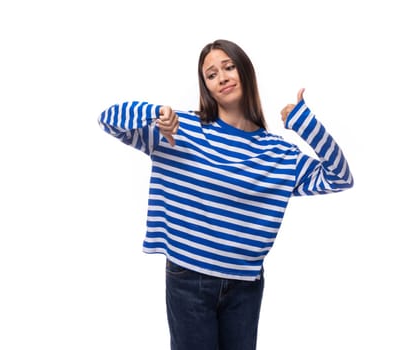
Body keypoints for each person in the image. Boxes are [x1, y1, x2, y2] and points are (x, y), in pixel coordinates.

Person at [98, 39, 354, 350]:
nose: (222, 77)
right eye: (211, 74)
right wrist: (156, 112)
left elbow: (340, 177)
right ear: (205, 86)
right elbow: (109, 119)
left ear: (245, 71)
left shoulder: (278, 153)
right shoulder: (179, 129)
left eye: (229, 67)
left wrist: (304, 123)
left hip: (245, 286)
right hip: (188, 279)